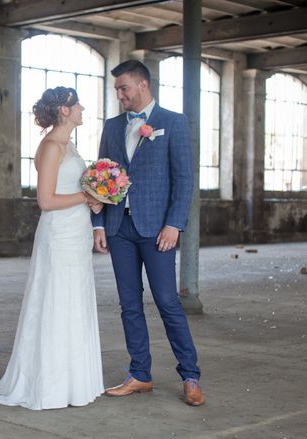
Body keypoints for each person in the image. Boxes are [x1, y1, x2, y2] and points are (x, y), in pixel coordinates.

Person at [0, 87, 105, 410]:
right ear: (64, 111)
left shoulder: (70, 145)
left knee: (74, 300)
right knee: (56, 300)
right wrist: (87, 197)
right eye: (76, 104)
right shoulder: (51, 147)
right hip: (59, 234)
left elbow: (76, 188)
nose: (81, 108)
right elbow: (46, 201)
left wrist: (95, 200)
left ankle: (74, 383)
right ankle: (51, 385)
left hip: (76, 233)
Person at [91, 60, 205, 406]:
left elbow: (184, 179)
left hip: (158, 230)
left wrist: (174, 224)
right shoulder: (112, 127)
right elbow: (101, 175)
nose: (119, 95)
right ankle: (140, 374)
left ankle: (190, 375)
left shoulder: (173, 122)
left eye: (123, 88)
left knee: (168, 302)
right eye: (116, 89)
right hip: (118, 228)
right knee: (129, 305)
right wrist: (98, 224)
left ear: (143, 85)